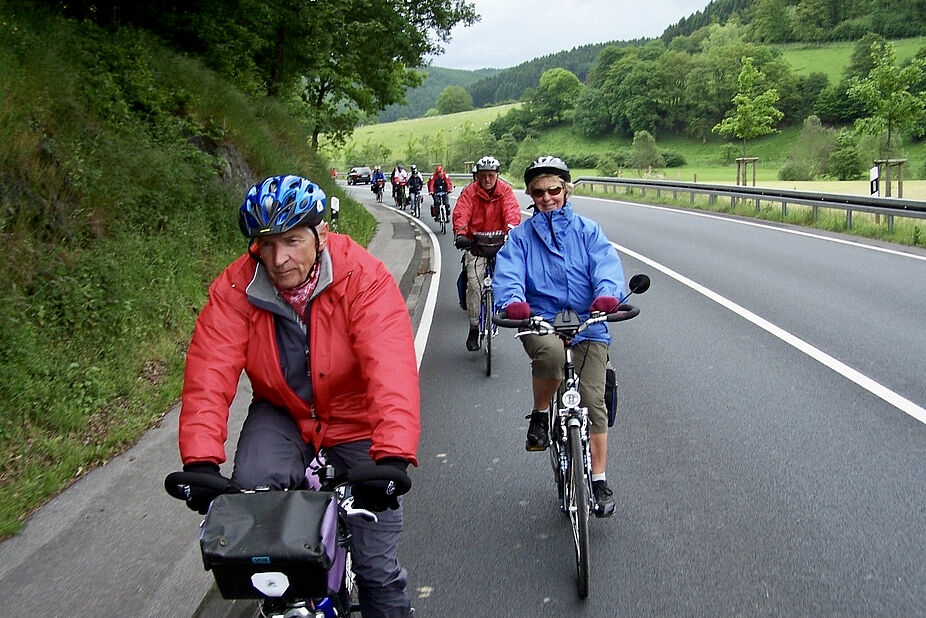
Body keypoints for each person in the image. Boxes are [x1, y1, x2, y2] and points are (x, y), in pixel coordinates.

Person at [177, 175, 420, 617]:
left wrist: (393, 456)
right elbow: (209, 371)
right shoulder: (236, 288)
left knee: (377, 571)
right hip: (282, 410)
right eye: (266, 244)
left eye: (292, 240)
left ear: (320, 233)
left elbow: (391, 367)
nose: (279, 258)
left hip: (356, 415)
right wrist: (200, 462)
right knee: (255, 516)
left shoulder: (362, 277)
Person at [492, 156, 626, 518]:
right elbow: (508, 273)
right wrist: (513, 302)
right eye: (539, 192)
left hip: (588, 320)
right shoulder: (520, 237)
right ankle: (539, 415)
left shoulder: (588, 231)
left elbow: (606, 265)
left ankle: (598, 479)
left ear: (566, 189)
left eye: (554, 189)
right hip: (541, 321)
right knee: (550, 356)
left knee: (593, 401)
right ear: (531, 195)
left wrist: (607, 297)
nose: (547, 197)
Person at [452, 155, 521, 351]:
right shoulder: (470, 193)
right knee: (474, 286)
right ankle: (474, 327)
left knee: (508, 278)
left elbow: (512, 212)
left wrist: (512, 230)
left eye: (491, 175)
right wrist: (461, 233)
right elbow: (461, 213)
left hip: (500, 243)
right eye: (483, 176)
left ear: (497, 175)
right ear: (477, 176)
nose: (487, 179)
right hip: (476, 245)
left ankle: (500, 311)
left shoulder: (505, 191)